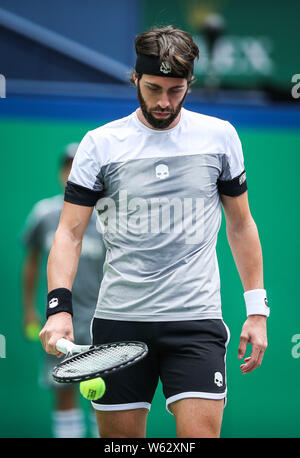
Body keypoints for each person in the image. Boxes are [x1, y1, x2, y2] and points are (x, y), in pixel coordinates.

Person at [39, 26, 269, 438]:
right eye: (153, 88)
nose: (164, 102)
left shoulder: (221, 137)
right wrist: (59, 309)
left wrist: (257, 309)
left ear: (190, 84)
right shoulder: (100, 144)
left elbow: (240, 224)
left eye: (176, 90)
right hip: (119, 322)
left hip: (196, 321)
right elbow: (69, 234)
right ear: (135, 79)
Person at [22, 143, 106, 438]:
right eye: (68, 166)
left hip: (99, 321)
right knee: (63, 392)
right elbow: (31, 264)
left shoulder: (106, 217)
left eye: (78, 166)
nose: (72, 173)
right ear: (60, 172)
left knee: (103, 397)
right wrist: (29, 311)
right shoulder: (44, 214)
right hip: (59, 320)